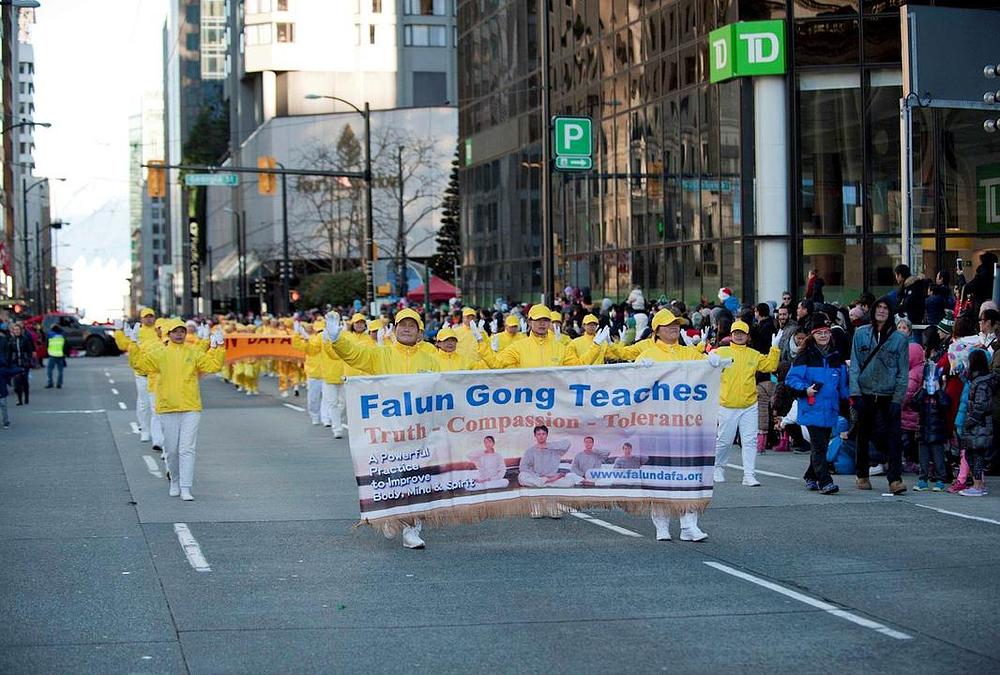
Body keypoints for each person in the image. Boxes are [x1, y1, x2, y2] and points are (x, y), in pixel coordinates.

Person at [324, 307, 440, 549]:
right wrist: (337, 339)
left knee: (416, 480)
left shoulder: (431, 358)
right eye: (402, 324)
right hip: (387, 432)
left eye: (412, 325)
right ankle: (391, 516)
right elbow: (355, 355)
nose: (407, 328)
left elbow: (447, 388)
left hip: (419, 433)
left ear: (420, 332)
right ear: (395, 329)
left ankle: (412, 529)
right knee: (392, 479)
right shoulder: (381, 355)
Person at [637, 308, 721, 542]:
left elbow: (707, 371)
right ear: (657, 330)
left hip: (687, 424)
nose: (674, 328)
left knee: (689, 474)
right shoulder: (647, 354)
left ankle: (689, 525)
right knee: (660, 475)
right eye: (668, 325)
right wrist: (638, 372)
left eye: (677, 324)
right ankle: (661, 525)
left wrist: (714, 363)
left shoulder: (689, 353)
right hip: (657, 426)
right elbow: (634, 388)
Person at [127, 319, 226, 501]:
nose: (179, 334)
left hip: (190, 407)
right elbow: (139, 365)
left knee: (187, 449)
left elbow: (213, 366)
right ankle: (174, 480)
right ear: (169, 334)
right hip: (167, 407)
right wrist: (132, 344)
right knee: (171, 450)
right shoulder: (159, 353)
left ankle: (186, 487)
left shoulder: (193, 353)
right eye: (175, 331)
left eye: (182, 331)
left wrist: (219, 347)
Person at [849, 296, 910, 494]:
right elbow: (855, 365)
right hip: (865, 392)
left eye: (886, 308)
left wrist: (897, 399)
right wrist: (855, 394)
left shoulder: (899, 339)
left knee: (893, 437)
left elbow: (903, 372)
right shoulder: (860, 334)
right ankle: (862, 474)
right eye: (879, 307)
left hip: (888, 394)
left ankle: (895, 478)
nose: (882, 311)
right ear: (873, 310)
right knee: (863, 435)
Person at [712, 320, 781, 487]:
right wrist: (699, 348)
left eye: (742, 333)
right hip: (727, 404)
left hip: (749, 405)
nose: (739, 335)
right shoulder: (721, 352)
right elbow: (704, 363)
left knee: (749, 441)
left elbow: (770, 365)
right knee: (724, 440)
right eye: (736, 333)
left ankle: (749, 475)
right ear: (730, 335)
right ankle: (718, 467)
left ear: (748, 336)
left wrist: (775, 348)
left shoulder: (754, 354)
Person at [785, 316, 848, 495]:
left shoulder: (836, 356)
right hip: (812, 407)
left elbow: (843, 384)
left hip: (830, 409)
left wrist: (849, 400)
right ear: (812, 335)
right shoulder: (805, 355)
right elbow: (792, 379)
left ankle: (810, 476)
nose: (823, 335)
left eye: (826, 332)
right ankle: (825, 481)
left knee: (821, 445)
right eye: (819, 332)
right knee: (819, 445)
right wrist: (805, 389)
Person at [474, 304, 608, 369]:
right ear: (530, 322)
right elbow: (496, 364)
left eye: (545, 320)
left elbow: (579, 366)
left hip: (554, 405)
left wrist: (595, 346)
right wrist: (481, 342)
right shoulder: (518, 348)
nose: (542, 324)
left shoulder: (560, 348)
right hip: (527, 405)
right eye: (538, 320)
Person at [959, 349, 996, 497]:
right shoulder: (979, 381)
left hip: (978, 426)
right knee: (972, 455)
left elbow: (980, 406)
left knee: (975, 455)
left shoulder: (981, 384)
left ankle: (977, 484)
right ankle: (978, 483)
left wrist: (969, 421)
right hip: (980, 426)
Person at [913, 368, 951, 491]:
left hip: (937, 431)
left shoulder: (941, 395)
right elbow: (913, 404)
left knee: (938, 457)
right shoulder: (922, 395)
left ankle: (940, 479)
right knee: (923, 458)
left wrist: (938, 390)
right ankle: (922, 479)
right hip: (923, 430)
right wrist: (923, 390)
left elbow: (945, 405)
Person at [517, 425, 574, 489]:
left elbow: (567, 443)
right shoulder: (530, 451)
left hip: (552, 477)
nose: (541, 436)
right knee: (521, 476)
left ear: (547, 435)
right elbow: (523, 467)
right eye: (538, 434)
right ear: (535, 436)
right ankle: (546, 482)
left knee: (570, 482)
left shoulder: (555, 449)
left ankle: (541, 484)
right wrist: (538, 476)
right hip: (539, 477)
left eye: (543, 434)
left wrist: (547, 446)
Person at [5, 322, 34, 406]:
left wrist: (28, 360)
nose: (16, 331)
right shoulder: (11, 341)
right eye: (15, 330)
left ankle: (26, 397)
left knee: (24, 381)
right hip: (15, 363)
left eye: (18, 330)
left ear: (21, 331)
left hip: (24, 363)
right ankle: (19, 400)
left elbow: (29, 351)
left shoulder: (25, 339)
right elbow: (9, 353)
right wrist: (8, 363)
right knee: (17, 382)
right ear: (13, 331)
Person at [44, 325, 66, 389]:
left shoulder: (50, 335)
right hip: (60, 355)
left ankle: (50, 383)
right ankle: (59, 384)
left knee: (49, 370)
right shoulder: (62, 336)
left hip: (52, 354)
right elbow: (65, 346)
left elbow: (47, 344)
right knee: (60, 371)